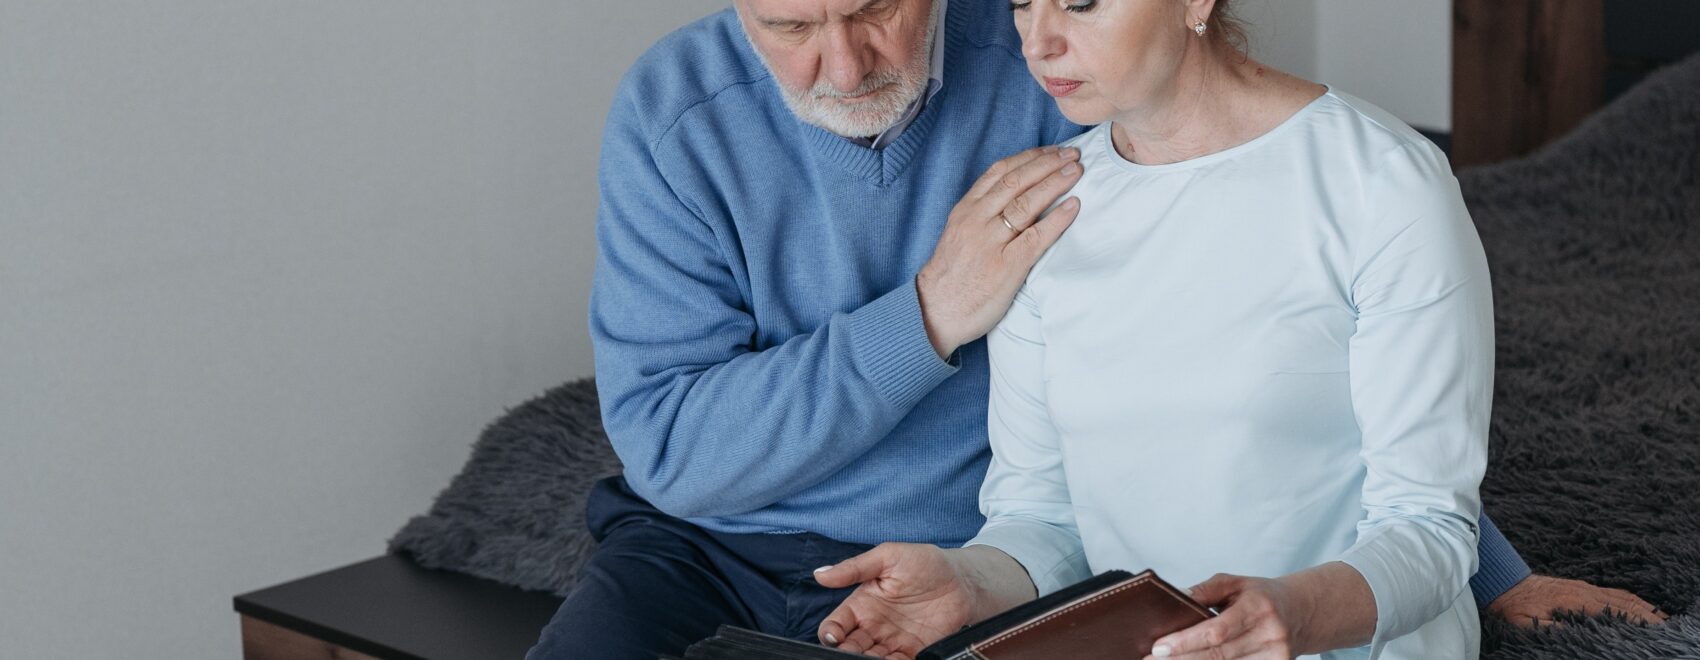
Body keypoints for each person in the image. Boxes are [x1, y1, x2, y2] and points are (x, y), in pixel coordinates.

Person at [525, 1, 1664, 658]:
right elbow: (671, 449)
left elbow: (1294, 323)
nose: (842, 62)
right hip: (719, 543)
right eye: (787, 25)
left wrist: (1476, 568)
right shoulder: (673, 114)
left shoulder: (1057, 66)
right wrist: (926, 315)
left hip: (973, 549)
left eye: (873, 3)